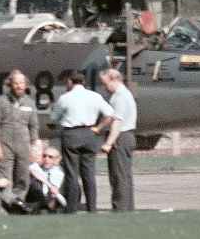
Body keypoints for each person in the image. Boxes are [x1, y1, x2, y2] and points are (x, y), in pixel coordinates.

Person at [52, 70, 114, 213]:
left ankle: (71, 207)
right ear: (83, 82)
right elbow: (110, 114)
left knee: (72, 173)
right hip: (89, 133)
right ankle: (92, 207)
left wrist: (52, 107)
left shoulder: (65, 98)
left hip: (72, 133)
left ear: (69, 82)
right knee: (89, 173)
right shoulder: (95, 96)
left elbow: (55, 116)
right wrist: (98, 128)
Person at [0, 70, 43, 205]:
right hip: (5, 143)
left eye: (21, 83)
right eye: (16, 83)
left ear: (25, 84)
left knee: (22, 175)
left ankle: (19, 202)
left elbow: (34, 125)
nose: (19, 86)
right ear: (10, 84)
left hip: (23, 143)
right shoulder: (1, 101)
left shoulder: (30, 103)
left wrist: (35, 146)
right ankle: (6, 203)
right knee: (4, 174)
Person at [99, 68, 138, 212]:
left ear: (114, 79)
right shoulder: (125, 94)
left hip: (120, 137)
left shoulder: (119, 97)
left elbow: (117, 121)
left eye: (105, 83)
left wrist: (109, 142)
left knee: (118, 176)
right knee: (125, 175)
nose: (105, 87)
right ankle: (127, 207)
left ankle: (119, 208)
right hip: (127, 136)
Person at [28, 146, 68, 212]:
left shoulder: (60, 171)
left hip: (54, 198)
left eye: (50, 157)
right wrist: (50, 185)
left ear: (57, 160)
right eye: (44, 156)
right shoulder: (37, 166)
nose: (46, 159)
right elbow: (33, 170)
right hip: (39, 197)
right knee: (35, 184)